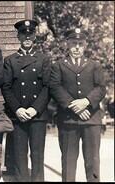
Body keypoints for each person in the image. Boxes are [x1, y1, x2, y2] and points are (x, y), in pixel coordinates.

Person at [49, 28, 106, 182]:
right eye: (74, 43)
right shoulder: (59, 65)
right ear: (67, 44)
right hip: (68, 120)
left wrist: (86, 102)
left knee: (92, 161)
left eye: (80, 44)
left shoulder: (94, 65)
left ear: (85, 46)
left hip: (91, 120)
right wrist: (74, 106)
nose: (76, 48)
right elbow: (55, 87)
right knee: (68, 161)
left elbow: (101, 88)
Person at [1, 19, 51, 182]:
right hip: (18, 116)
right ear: (18, 36)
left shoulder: (44, 59)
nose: (27, 37)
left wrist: (34, 109)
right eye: (24, 34)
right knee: (19, 155)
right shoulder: (10, 60)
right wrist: (17, 109)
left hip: (37, 116)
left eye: (30, 34)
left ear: (35, 36)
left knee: (37, 155)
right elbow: (6, 87)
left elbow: (47, 87)